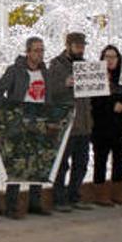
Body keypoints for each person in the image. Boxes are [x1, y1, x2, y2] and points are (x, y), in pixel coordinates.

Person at [0, 36, 51, 218]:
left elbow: (49, 96)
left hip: (39, 122)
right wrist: (10, 111)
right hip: (20, 122)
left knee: (37, 164)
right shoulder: (15, 71)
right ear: (28, 52)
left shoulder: (46, 73)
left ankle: (35, 202)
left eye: (42, 50)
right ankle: (11, 205)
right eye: (36, 50)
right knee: (17, 164)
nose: (39, 54)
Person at [48, 32, 95, 212]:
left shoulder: (85, 66)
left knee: (81, 163)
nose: (81, 49)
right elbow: (50, 90)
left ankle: (74, 195)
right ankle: (59, 198)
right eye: (77, 46)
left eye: (82, 46)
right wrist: (64, 83)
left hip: (84, 123)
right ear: (68, 46)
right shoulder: (56, 65)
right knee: (62, 164)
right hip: (66, 124)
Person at [90, 45, 122, 206]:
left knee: (119, 160)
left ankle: (118, 192)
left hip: (120, 128)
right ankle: (100, 194)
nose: (110, 60)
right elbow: (93, 102)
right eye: (107, 57)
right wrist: (111, 103)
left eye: (113, 57)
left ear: (118, 59)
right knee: (100, 160)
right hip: (101, 127)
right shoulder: (94, 77)